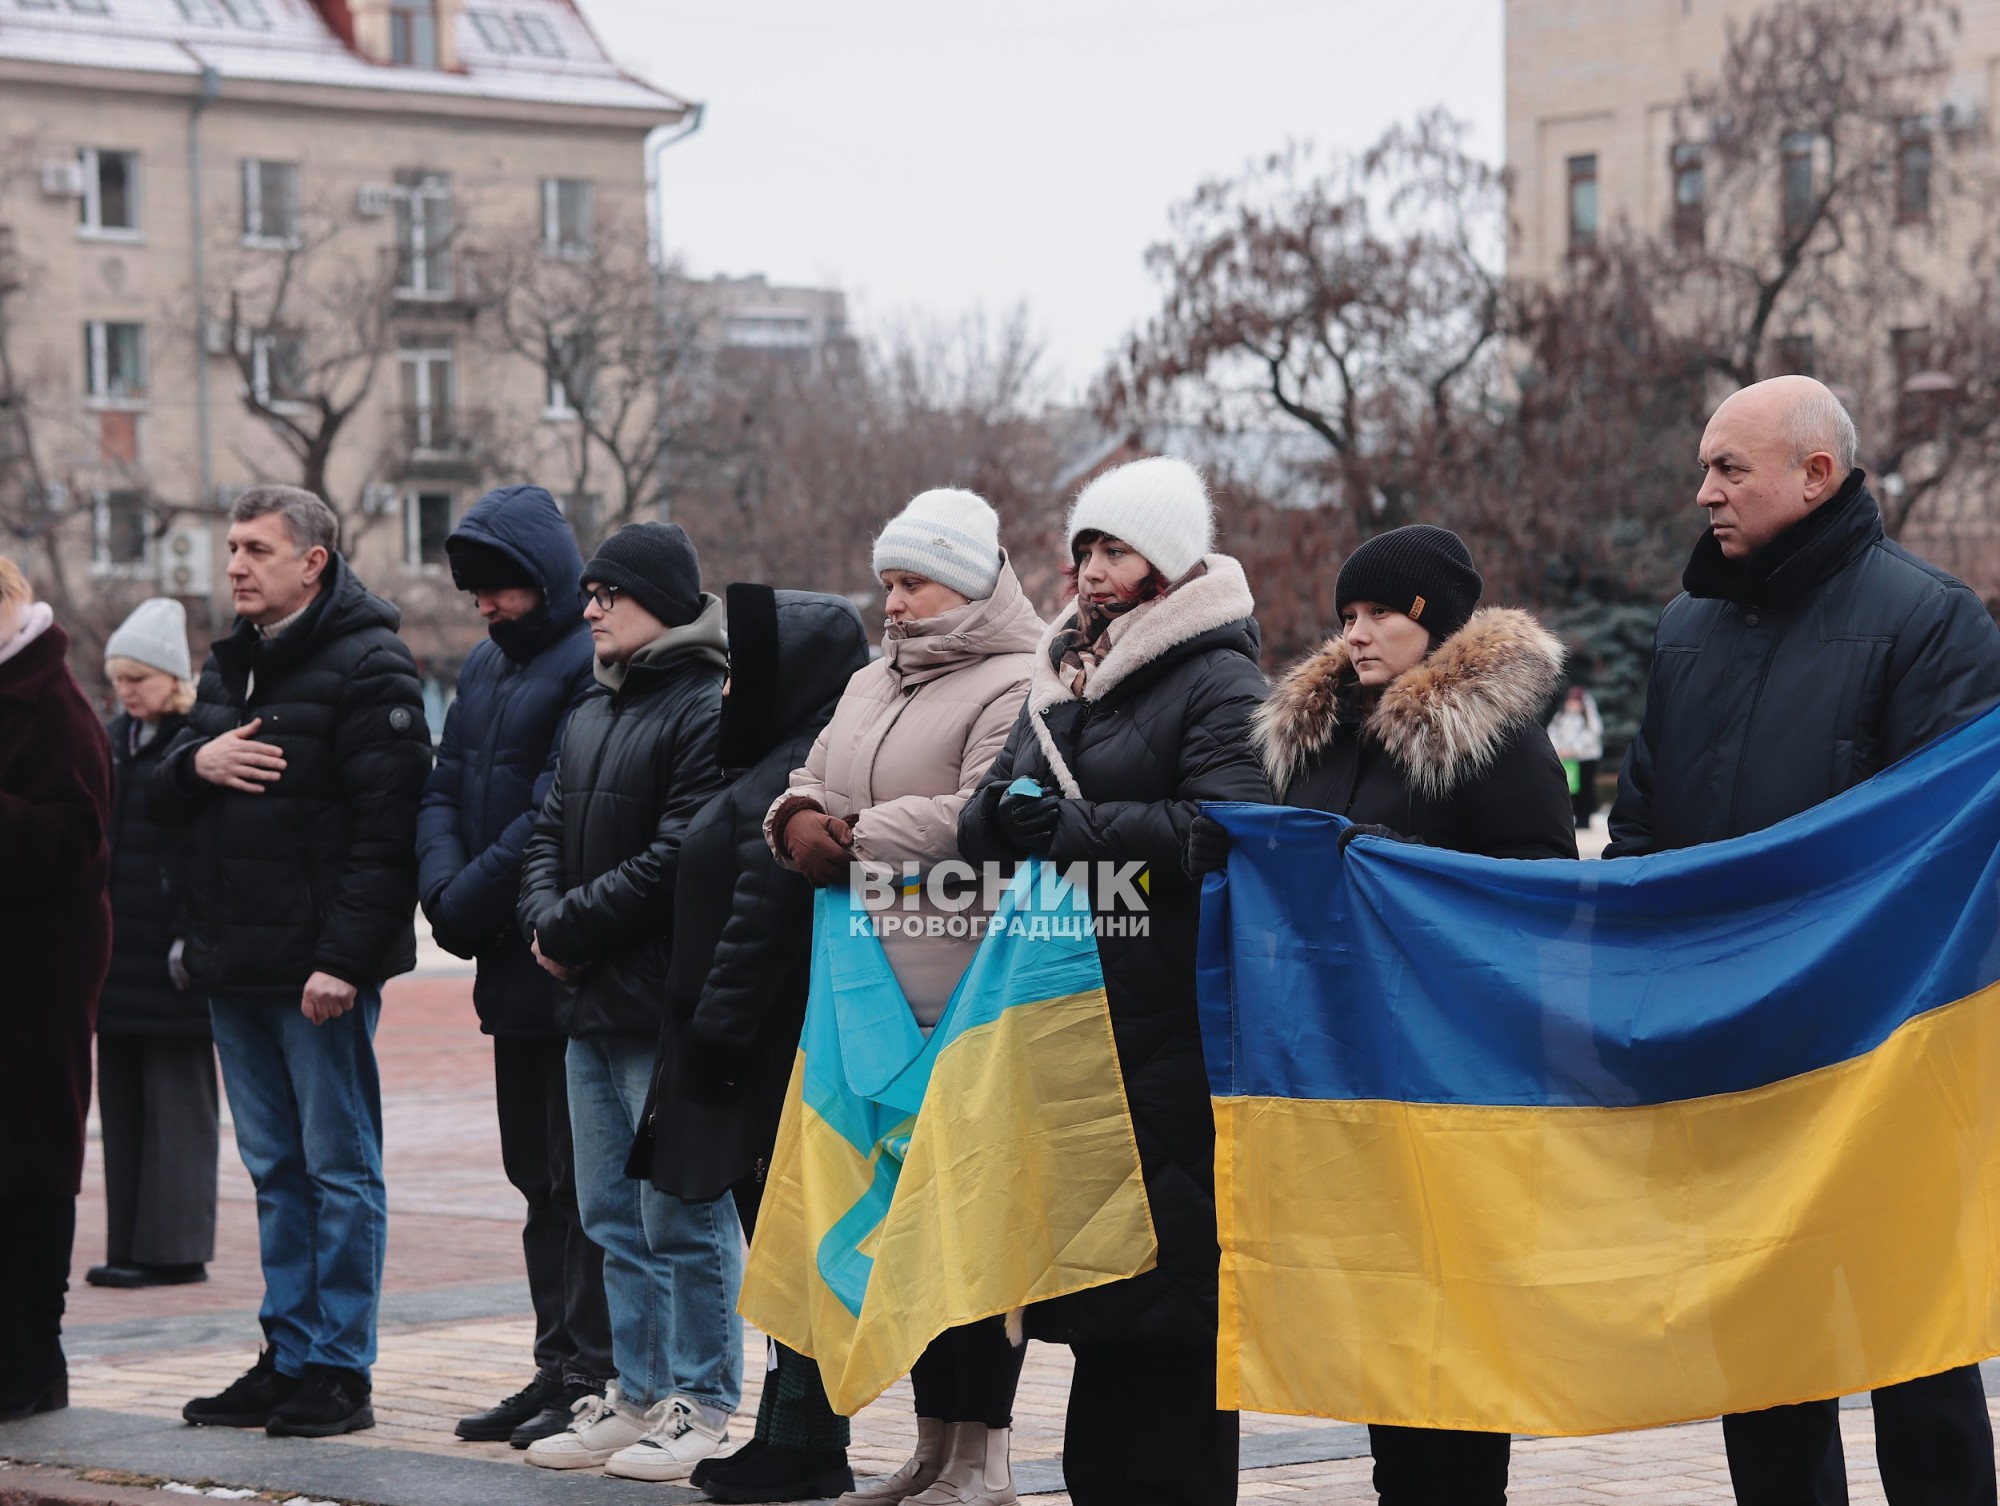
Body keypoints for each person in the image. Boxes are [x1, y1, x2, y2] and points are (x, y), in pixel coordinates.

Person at [1606, 374, 2000, 1506]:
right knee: (1762, 1370)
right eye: (1702, 467)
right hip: (1733, 1073)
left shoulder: (1932, 621)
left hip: (1882, 1077)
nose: (1702, 493)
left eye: (1727, 468)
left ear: (1812, 475)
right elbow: (1639, 832)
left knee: (1914, 1370)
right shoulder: (1686, 628)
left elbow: (1948, 861)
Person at [1193, 523, 1577, 1506]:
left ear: (1430, 621)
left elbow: (1542, 895)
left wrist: (1392, 874)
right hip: (1344, 1065)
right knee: (1386, 1318)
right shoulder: (1316, 732)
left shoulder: (1492, 738)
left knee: (1454, 1327)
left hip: (1458, 1076)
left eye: (1376, 615)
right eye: (1346, 616)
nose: (1355, 634)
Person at [958, 457, 1272, 1506]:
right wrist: (997, 821)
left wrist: (1075, 832)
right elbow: (990, 815)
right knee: (1097, 1312)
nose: (1089, 570)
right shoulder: (1059, 675)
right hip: (1070, 1024)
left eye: (1115, 550)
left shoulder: (1219, 678)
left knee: (1174, 1309)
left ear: (1168, 563)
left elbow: (1225, 832)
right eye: (1084, 547)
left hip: (1171, 1023)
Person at [764, 487, 1045, 1506]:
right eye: (887, 581)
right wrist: (793, 814)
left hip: (965, 991)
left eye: (913, 582)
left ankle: (988, 1455)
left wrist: (847, 840)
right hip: (866, 988)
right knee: (898, 1226)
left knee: (970, 1229)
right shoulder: (870, 681)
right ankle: (932, 1446)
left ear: (967, 584)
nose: (893, 602)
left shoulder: (1021, 681)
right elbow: (811, 771)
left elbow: (983, 814)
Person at [159, 486, 432, 1439]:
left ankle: (340, 1372)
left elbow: (387, 833)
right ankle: (288, 1353)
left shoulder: (372, 664)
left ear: (312, 562)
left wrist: (345, 960)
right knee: (276, 1170)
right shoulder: (229, 662)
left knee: (338, 1169)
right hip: (234, 966)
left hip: (317, 976)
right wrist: (193, 766)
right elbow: (165, 787)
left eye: (256, 550)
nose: (234, 564)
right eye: (231, 546)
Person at [632, 583, 871, 1505]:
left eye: (744, 672)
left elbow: (759, 923)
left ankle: (810, 1443)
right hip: (742, 1050)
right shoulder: (773, 759)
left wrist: (714, 1038)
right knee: (780, 1254)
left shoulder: (796, 775)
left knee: (795, 1251)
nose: (728, 689)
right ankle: (790, 1433)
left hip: (761, 1056)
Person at [517, 522, 738, 1481]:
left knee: (681, 1218)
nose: (591, 607)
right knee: (609, 1215)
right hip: (589, 1009)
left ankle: (702, 1399)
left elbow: (681, 852)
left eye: (610, 592)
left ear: (664, 599)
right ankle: (637, 1393)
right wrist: (545, 919)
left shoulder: (705, 706)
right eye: (589, 593)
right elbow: (545, 829)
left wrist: (569, 930)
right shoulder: (592, 710)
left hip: (660, 1007)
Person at [415, 485, 613, 1447]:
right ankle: (554, 1365)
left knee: (582, 1184)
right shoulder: (486, 667)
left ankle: (591, 1370)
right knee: (534, 1176)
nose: (484, 606)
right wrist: (443, 889)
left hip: (558, 951)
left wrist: (467, 898)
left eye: (499, 589)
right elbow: (445, 783)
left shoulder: (589, 662)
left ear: (546, 579)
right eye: (475, 592)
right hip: (502, 960)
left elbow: (554, 809)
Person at [0, 557, 113, 1420]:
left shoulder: (54, 705)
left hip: (34, 978)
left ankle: (31, 1361)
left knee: (30, 1164)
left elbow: (72, 842)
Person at [90, 598, 216, 1291]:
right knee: (125, 1104)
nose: (126, 690)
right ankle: (129, 1243)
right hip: (117, 953)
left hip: (170, 956)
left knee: (177, 1105)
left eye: (138, 677)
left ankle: (174, 1247)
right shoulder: (113, 741)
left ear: (172, 678)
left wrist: (189, 938)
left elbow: (205, 851)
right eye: (119, 678)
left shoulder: (191, 746)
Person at [1545, 681, 1603, 828]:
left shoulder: (1589, 718)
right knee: (1570, 791)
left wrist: (1574, 750)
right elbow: (1552, 733)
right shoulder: (1561, 717)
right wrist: (1559, 749)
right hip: (1567, 760)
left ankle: (1585, 818)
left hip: (1585, 759)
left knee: (1586, 790)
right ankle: (1573, 818)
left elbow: (1592, 735)